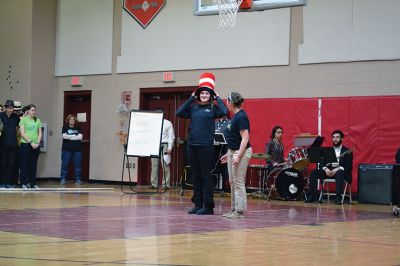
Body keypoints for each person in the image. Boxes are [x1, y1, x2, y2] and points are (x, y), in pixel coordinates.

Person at [176, 72, 227, 215]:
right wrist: (191, 98)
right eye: (202, 93)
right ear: (198, 95)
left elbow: (225, 111)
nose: (204, 95)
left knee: (205, 176)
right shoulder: (193, 107)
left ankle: (208, 206)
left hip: (206, 146)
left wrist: (218, 98)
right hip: (192, 146)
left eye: (207, 93)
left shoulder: (214, 108)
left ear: (211, 96)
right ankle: (197, 204)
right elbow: (179, 112)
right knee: (196, 176)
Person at [220, 92, 252, 218]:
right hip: (232, 151)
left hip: (241, 152)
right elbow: (234, 138)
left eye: (227, 101)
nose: (226, 103)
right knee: (232, 181)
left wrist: (238, 155)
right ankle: (233, 209)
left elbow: (245, 138)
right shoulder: (235, 116)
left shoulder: (241, 116)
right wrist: (228, 153)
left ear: (231, 102)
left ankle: (239, 211)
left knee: (238, 181)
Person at [305, 129, 353, 205]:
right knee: (313, 172)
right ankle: (312, 196)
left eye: (337, 137)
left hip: (340, 173)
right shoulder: (328, 150)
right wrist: (325, 169)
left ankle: (338, 197)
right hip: (328, 171)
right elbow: (321, 163)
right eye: (334, 137)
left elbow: (349, 167)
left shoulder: (347, 151)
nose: (335, 139)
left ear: (342, 139)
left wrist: (337, 169)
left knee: (339, 172)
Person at [19, 104, 42, 189]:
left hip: (35, 146)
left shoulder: (38, 120)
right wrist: (31, 142)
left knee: (33, 165)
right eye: (32, 110)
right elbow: (22, 133)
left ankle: (33, 183)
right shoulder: (23, 120)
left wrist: (37, 143)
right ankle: (23, 183)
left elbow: (40, 133)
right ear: (28, 111)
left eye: (34, 110)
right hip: (26, 144)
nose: (34, 112)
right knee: (24, 164)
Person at [151, 113, 175, 189]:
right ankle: (154, 184)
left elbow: (171, 137)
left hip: (164, 144)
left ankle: (166, 184)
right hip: (154, 144)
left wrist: (169, 148)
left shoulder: (168, 123)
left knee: (165, 164)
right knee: (154, 165)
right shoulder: (152, 122)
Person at [0, 100, 20, 188]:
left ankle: (8, 182)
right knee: (3, 163)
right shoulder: (1, 116)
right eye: (9, 108)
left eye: (12, 108)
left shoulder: (16, 117)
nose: (11, 110)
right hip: (3, 144)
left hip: (13, 144)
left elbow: (20, 127)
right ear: (6, 108)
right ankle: (2, 182)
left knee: (11, 164)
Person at [60, 114, 83, 185]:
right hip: (67, 149)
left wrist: (70, 137)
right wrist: (74, 136)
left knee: (78, 165)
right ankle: (63, 178)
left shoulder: (78, 127)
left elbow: (80, 137)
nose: (72, 121)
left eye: (73, 119)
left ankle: (78, 179)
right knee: (65, 164)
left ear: (75, 120)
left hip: (77, 150)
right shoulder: (65, 127)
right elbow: (64, 136)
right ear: (68, 120)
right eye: (70, 119)